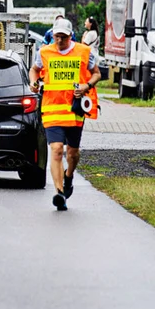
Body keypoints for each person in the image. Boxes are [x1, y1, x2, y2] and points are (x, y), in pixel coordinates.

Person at [29, 18, 101, 211]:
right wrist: (33, 82)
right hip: (52, 110)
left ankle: (69, 176)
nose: (59, 40)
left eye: (63, 37)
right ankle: (59, 193)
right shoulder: (44, 52)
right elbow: (34, 70)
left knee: (73, 153)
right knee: (57, 149)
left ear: (70, 36)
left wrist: (87, 86)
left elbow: (96, 73)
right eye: (56, 36)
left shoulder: (84, 52)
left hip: (74, 111)